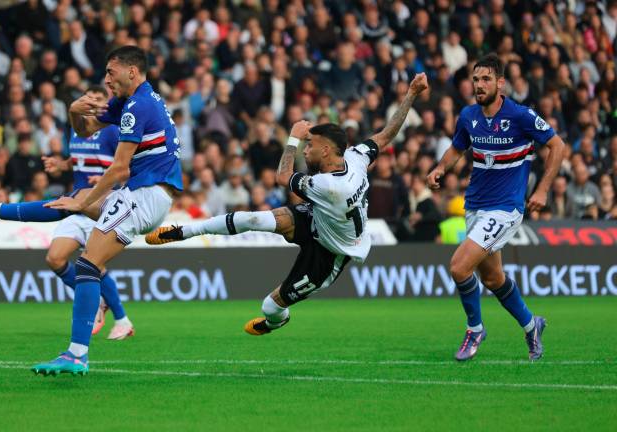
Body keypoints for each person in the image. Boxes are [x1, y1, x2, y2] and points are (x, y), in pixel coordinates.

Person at [145, 74, 429, 336]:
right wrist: (412, 94)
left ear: (327, 150)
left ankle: (275, 321)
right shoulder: (356, 156)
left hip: (330, 254)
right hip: (319, 219)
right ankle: (182, 232)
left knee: (270, 305)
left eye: (311, 146)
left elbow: (283, 176)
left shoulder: (327, 186)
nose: (307, 149)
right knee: (254, 219)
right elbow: (386, 134)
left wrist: (293, 136)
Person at [0, 46, 182, 376]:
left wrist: (84, 205)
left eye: (112, 72)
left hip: (146, 194)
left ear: (132, 72)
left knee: (87, 261)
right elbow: (85, 129)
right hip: (146, 193)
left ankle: (77, 354)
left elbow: (119, 168)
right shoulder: (130, 102)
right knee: (77, 201)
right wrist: (72, 110)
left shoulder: (137, 107)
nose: (107, 78)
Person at [425, 54, 565, 362]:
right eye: (476, 79)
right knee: (492, 278)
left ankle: (474, 329)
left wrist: (542, 189)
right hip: (475, 206)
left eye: (486, 79)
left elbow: (558, 146)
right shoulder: (468, 116)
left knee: (459, 266)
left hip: (505, 209)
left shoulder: (521, 116)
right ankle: (532, 325)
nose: (479, 85)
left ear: (500, 83)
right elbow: (458, 147)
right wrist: (440, 168)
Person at [40, 86, 134, 341]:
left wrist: (106, 181)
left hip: (101, 206)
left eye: (98, 100)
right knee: (55, 258)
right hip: (77, 205)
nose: (92, 104)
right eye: (89, 99)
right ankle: (97, 299)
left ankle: (123, 320)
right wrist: (61, 165)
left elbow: (128, 166)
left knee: (95, 264)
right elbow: (77, 159)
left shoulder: (113, 131)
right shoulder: (76, 129)